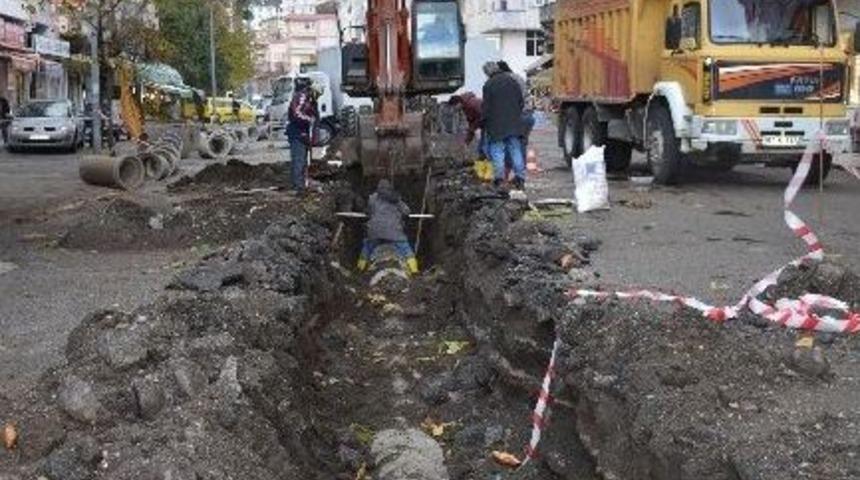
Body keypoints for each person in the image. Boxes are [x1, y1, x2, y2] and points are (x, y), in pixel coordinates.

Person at [357, 179, 419, 276]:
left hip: (375, 232)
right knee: (406, 249)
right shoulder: (396, 199)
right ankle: (414, 271)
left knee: (367, 247)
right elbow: (407, 211)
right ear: (390, 188)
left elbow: (368, 212)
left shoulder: (372, 198)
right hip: (394, 232)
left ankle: (360, 269)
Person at [481, 61, 526, 190]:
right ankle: (520, 178)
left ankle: (499, 179)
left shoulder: (489, 85)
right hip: (514, 123)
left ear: (488, 72)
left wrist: (483, 122)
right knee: (515, 150)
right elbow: (520, 101)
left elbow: (486, 107)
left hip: (496, 125)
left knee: (497, 151)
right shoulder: (512, 81)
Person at [285, 77, 318, 194]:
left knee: (302, 160)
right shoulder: (301, 96)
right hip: (297, 133)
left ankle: (301, 183)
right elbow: (297, 113)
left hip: (301, 134)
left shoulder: (307, 98)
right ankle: (298, 186)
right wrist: (309, 120)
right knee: (299, 160)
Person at [497, 60, 535, 150]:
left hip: (517, 115)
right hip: (528, 114)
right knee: (521, 144)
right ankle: (521, 163)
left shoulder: (504, 80)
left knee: (512, 146)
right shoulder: (518, 77)